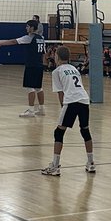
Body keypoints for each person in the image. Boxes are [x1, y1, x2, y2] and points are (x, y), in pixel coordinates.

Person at [41, 46, 95, 176]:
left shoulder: (57, 71)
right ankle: (91, 163)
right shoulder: (74, 69)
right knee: (85, 130)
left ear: (57, 57)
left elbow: (61, 93)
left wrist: (62, 107)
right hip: (84, 99)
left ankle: (55, 166)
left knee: (59, 132)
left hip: (71, 101)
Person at [0, 15, 46, 116]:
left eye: (27, 26)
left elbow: (14, 41)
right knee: (39, 88)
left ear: (31, 28)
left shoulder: (29, 38)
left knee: (30, 88)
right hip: (39, 65)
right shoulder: (41, 38)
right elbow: (44, 53)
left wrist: (1, 43)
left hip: (31, 65)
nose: (26, 28)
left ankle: (31, 111)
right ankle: (41, 109)